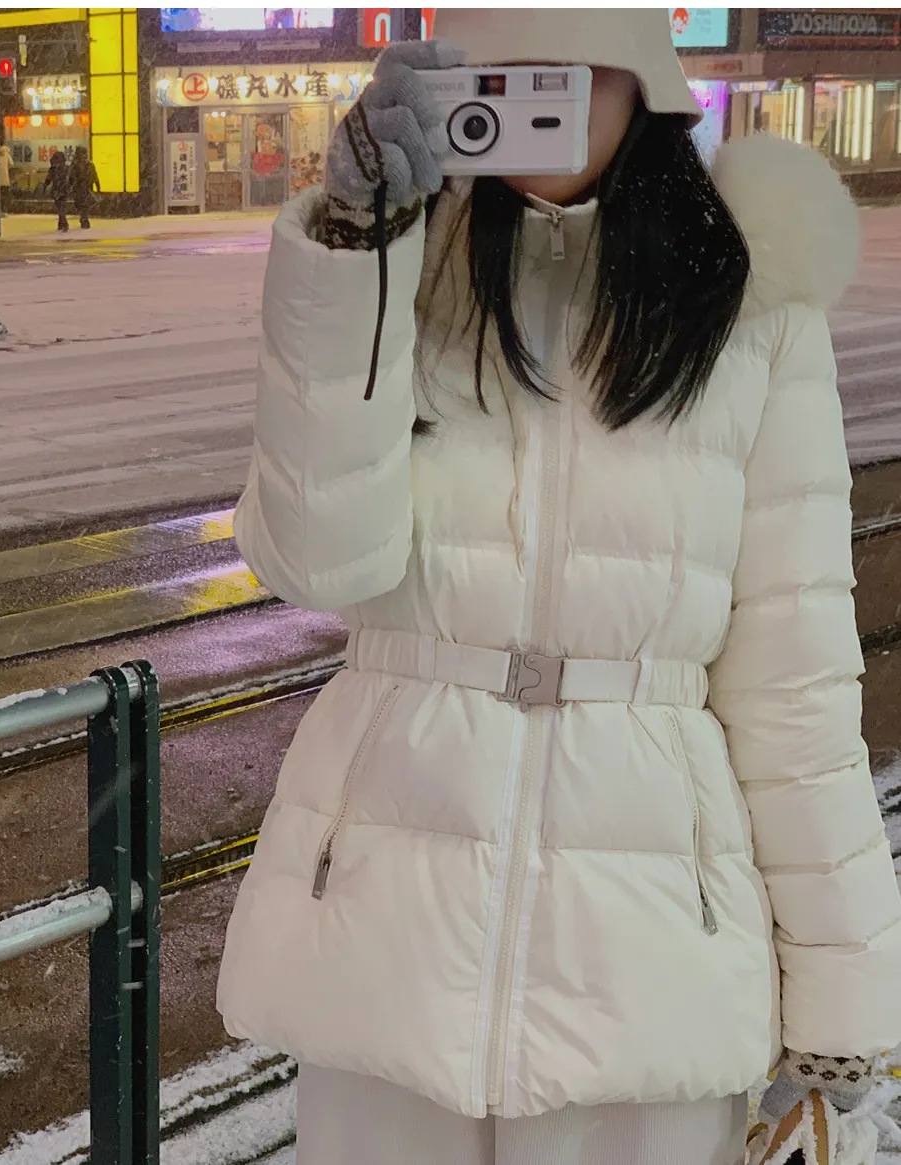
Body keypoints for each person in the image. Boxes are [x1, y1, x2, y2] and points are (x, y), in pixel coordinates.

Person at [217, 10, 901, 1165]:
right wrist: (354, 246)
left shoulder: (747, 307)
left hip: (647, 954)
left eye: (573, 69)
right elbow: (319, 561)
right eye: (503, 71)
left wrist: (841, 999)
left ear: (643, 81)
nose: (537, 97)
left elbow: (795, 685)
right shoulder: (398, 270)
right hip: (389, 933)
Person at [70, 146, 100, 229]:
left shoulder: (76, 165)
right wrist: (98, 188)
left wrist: (71, 186)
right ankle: (84, 218)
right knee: (83, 205)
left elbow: (71, 177)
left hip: (81, 188)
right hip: (84, 188)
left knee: (82, 205)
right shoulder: (88, 164)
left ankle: (84, 218)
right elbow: (95, 177)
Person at [42, 151, 70, 233]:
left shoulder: (53, 169)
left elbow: (48, 179)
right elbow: (71, 179)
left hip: (57, 190)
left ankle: (63, 223)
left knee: (60, 207)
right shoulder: (66, 168)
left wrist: (44, 187)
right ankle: (62, 223)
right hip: (64, 190)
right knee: (61, 206)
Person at [0, 138, 11, 215]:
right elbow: (11, 163)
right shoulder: (7, 154)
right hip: (5, 178)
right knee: (5, 195)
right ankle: (5, 210)